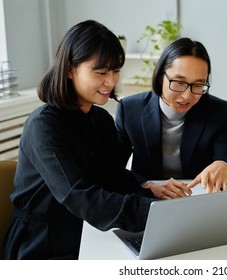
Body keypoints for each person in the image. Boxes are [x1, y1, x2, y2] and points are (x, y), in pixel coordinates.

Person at [2, 20, 155, 260]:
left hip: (83, 230)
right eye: (101, 72)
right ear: (70, 69)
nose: (111, 81)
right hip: (40, 243)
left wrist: (149, 190)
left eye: (116, 71)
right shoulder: (43, 125)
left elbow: (111, 176)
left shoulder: (101, 119)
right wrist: (153, 212)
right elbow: (77, 194)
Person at [115, 37, 227, 199]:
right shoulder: (130, 109)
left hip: (197, 200)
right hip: (147, 201)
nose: (187, 95)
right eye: (179, 82)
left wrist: (226, 167)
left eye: (198, 85)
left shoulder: (218, 111)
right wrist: (147, 185)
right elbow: (113, 170)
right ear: (160, 76)